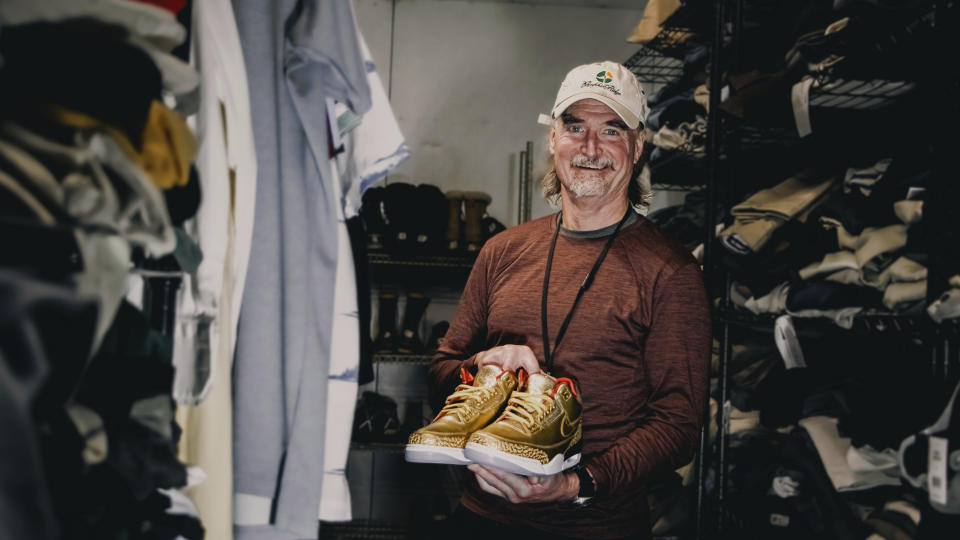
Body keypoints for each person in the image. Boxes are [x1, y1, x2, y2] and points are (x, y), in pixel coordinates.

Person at [428, 60, 712, 540]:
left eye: (611, 130)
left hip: (595, 525)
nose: (590, 148)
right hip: (481, 517)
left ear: (638, 146)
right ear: (552, 139)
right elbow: (439, 370)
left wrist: (575, 484)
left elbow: (678, 424)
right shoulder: (503, 251)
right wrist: (483, 362)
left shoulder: (671, 272)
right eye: (575, 127)